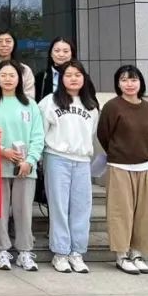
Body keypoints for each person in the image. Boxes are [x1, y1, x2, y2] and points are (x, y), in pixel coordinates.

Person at [0, 60, 44, 273]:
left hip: (25, 168)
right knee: (0, 211)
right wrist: (2, 151)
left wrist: (30, 161)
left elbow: (38, 136)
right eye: (3, 75)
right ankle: (2, 249)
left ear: (19, 79)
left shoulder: (30, 105)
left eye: (12, 75)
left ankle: (25, 250)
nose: (8, 79)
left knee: (24, 211)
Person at [40, 60, 100, 274]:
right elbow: (41, 131)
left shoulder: (91, 105)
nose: (73, 78)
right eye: (68, 75)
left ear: (84, 78)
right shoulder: (50, 102)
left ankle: (77, 252)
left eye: (77, 74)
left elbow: (91, 134)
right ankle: (60, 252)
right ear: (61, 79)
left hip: (82, 161)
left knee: (81, 208)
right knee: (59, 207)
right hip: (57, 158)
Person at [98, 65, 148, 275]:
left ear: (140, 82)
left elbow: (147, 131)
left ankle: (137, 253)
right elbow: (103, 134)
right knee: (120, 212)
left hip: (145, 166)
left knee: (144, 214)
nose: (129, 84)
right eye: (124, 80)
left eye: (133, 80)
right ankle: (121, 255)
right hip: (120, 166)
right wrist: (117, 152)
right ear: (118, 84)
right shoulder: (112, 107)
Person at [35, 37, 76, 102]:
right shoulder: (41, 77)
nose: (61, 55)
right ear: (51, 53)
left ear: (72, 54)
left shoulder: (81, 76)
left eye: (66, 51)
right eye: (57, 51)